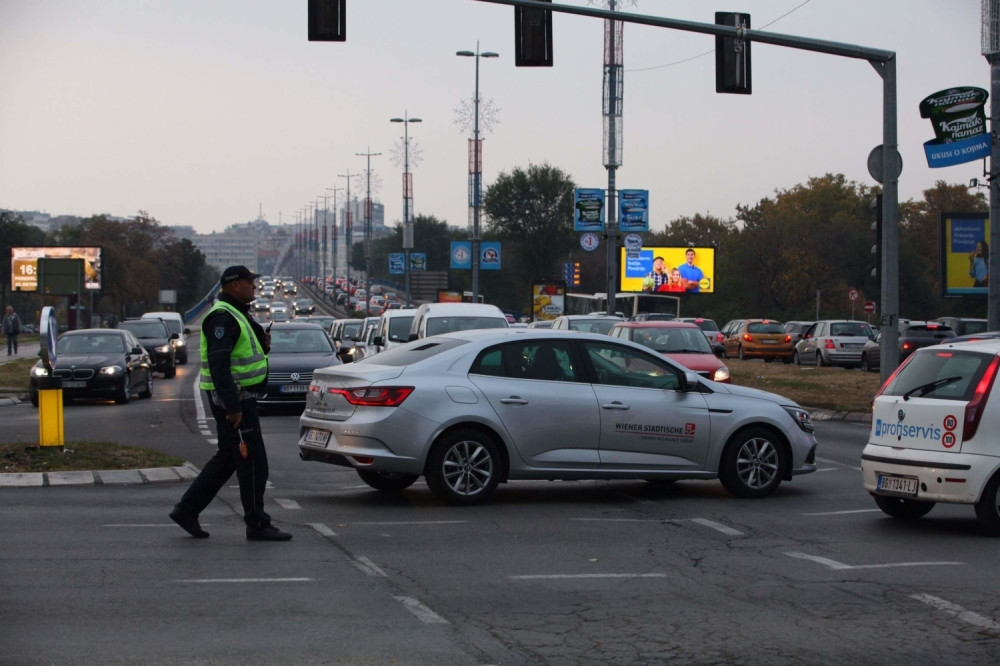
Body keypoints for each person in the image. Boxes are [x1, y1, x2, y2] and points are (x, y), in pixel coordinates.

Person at [170, 265, 292, 541]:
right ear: (235, 285)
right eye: (250, 282)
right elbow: (219, 363)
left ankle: (186, 509)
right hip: (234, 399)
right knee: (252, 463)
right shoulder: (223, 317)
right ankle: (257, 524)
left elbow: (240, 354)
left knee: (228, 458)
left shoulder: (236, 313)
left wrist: (264, 345)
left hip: (237, 397)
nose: (254, 286)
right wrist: (233, 407)